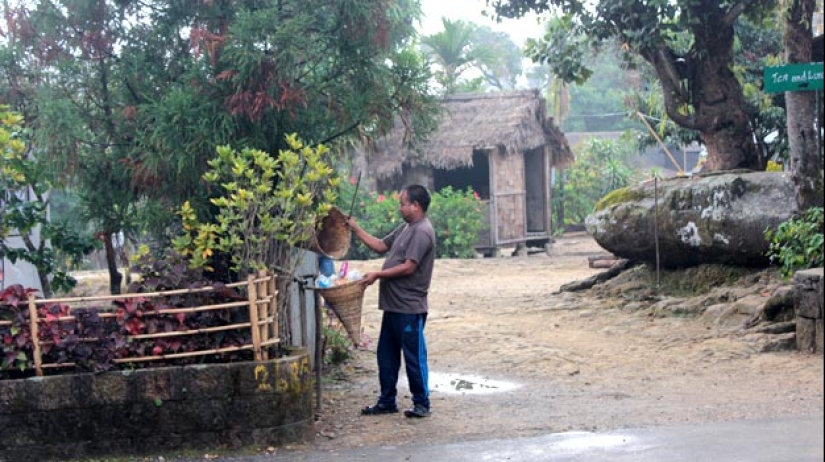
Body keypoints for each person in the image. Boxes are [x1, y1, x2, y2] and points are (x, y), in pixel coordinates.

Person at [347, 184, 436, 418]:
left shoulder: (422, 231)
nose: (400, 208)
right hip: (393, 305)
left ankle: (421, 403)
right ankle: (387, 400)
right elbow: (380, 246)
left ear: (415, 206)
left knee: (413, 356)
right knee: (386, 355)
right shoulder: (406, 227)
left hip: (409, 307)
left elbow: (409, 267)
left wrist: (378, 275)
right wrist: (356, 229)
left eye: (403, 203)